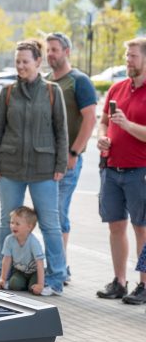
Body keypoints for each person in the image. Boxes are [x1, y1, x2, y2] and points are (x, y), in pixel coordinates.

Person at [0, 39, 68, 296]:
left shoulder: (53, 92)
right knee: (6, 222)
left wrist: (60, 164)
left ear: (37, 62)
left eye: (25, 61)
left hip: (45, 169)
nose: (20, 66)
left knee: (50, 224)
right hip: (9, 167)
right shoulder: (8, 92)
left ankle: (56, 279)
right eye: (17, 62)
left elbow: (61, 132)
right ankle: (5, 275)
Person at [96, 37, 146, 304]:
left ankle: (144, 284)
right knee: (116, 226)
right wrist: (102, 137)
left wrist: (127, 126)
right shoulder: (117, 88)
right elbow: (103, 122)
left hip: (140, 171)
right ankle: (119, 281)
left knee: (142, 229)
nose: (128, 61)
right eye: (127, 56)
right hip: (111, 169)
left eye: (133, 56)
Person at [46, 32, 97, 284]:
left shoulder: (79, 81)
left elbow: (90, 119)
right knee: (48, 214)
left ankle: (61, 268)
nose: (50, 54)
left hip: (67, 161)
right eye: (48, 49)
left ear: (67, 51)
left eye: (54, 49)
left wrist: (74, 152)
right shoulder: (45, 80)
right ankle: (55, 265)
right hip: (45, 161)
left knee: (58, 214)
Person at [0, 206, 45, 294]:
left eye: (17, 224)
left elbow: (40, 263)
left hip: (35, 272)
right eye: (12, 222)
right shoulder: (9, 240)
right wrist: (2, 279)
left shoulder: (33, 242)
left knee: (34, 288)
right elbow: (6, 260)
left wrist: (40, 285)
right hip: (21, 271)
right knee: (14, 284)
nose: (13, 226)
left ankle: (40, 283)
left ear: (29, 227)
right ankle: (24, 284)